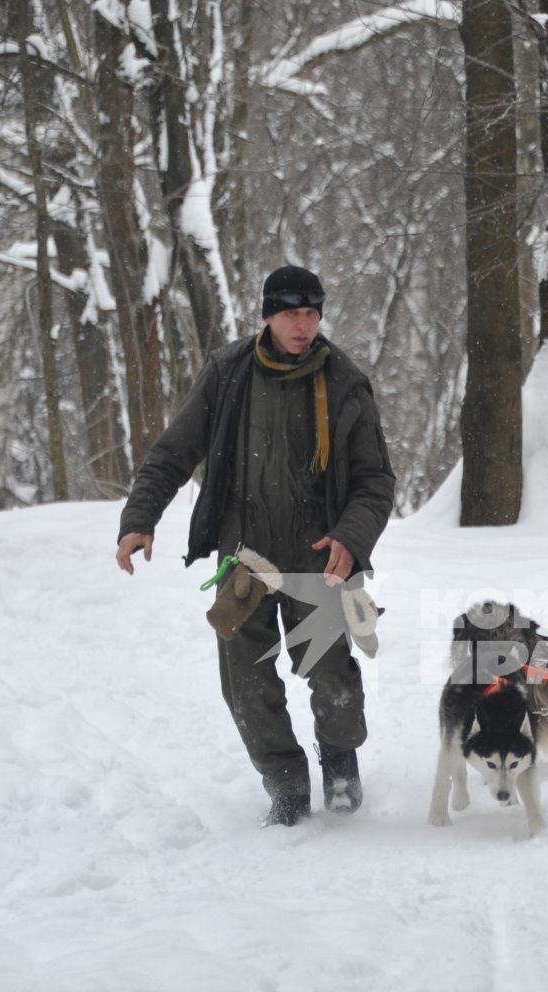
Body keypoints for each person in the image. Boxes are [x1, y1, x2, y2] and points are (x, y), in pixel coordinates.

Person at [115, 267, 396, 826]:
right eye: (292, 314)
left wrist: (350, 536)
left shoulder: (344, 382)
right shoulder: (229, 373)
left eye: (312, 314)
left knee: (332, 676)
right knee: (245, 680)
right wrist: (140, 516)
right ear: (268, 314)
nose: (303, 325)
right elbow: (175, 451)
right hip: (244, 556)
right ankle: (286, 786)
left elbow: (375, 481)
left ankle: (340, 766)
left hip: (321, 555)